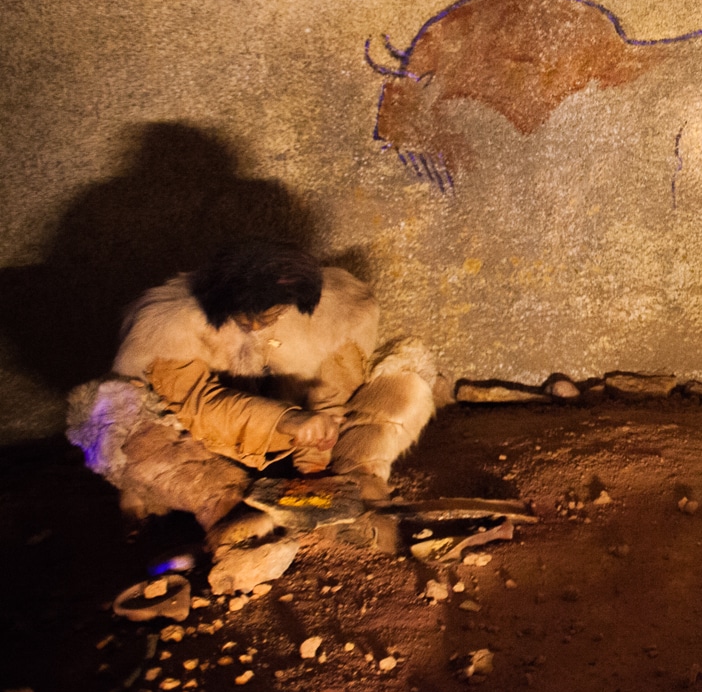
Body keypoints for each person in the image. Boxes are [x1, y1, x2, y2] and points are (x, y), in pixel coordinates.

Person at [66, 240, 446, 590]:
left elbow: (336, 383)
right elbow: (202, 405)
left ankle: (358, 477)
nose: (257, 324)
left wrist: (318, 458)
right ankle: (227, 510)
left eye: (272, 312)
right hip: (207, 450)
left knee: (409, 371)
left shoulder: (341, 305)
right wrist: (288, 422)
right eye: (245, 314)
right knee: (108, 414)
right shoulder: (166, 322)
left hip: (299, 440)